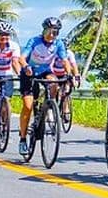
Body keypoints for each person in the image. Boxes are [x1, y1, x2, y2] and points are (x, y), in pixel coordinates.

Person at [18, 17, 73, 155]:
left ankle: (49, 106)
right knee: (28, 106)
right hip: (29, 72)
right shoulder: (34, 41)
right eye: (49, 31)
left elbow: (65, 60)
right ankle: (23, 139)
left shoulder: (58, 44)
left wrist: (70, 74)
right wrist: (25, 67)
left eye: (55, 32)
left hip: (45, 71)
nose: (51, 35)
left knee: (54, 81)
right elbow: (21, 58)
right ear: (43, 30)